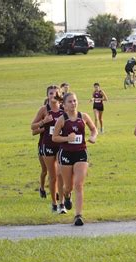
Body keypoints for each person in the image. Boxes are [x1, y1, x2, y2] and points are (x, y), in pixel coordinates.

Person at [52, 92, 98, 226]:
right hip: (66, 154)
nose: (73, 103)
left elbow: (94, 129)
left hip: (81, 153)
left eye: (75, 101)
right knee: (68, 186)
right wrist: (67, 138)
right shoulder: (62, 120)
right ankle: (66, 195)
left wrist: (93, 137)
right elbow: (54, 137)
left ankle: (78, 216)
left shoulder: (83, 117)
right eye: (70, 102)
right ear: (64, 105)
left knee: (78, 184)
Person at [31, 85, 66, 214]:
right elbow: (32, 126)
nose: (53, 95)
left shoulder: (64, 109)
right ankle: (54, 204)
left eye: (55, 93)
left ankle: (62, 203)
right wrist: (43, 122)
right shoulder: (44, 110)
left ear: (59, 95)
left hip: (61, 144)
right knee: (52, 176)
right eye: (50, 93)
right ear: (47, 95)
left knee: (61, 174)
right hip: (48, 145)